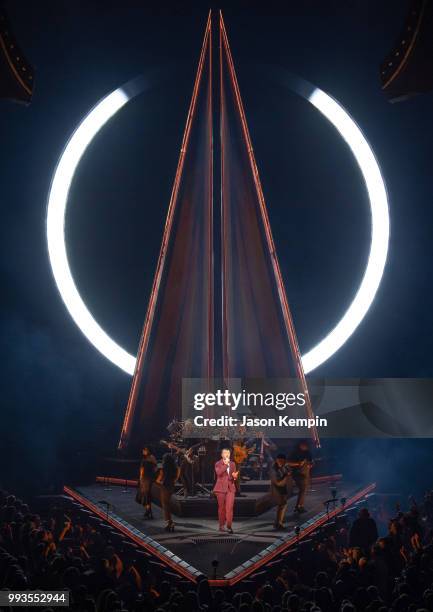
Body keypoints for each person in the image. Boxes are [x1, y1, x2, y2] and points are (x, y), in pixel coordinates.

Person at [213, 447, 238, 533]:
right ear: (221, 454)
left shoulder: (233, 464)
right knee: (221, 508)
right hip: (220, 489)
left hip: (230, 488)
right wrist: (226, 465)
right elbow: (219, 473)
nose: (227, 454)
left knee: (229, 508)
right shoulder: (218, 463)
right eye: (225, 453)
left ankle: (229, 526)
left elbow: (233, 476)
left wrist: (235, 477)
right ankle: (221, 525)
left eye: (228, 453)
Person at [287, 440, 313, 513]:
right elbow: (288, 463)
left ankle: (300, 506)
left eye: (306, 446)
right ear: (300, 445)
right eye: (303, 445)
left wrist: (310, 465)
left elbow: (311, 461)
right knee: (302, 489)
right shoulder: (294, 453)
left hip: (305, 473)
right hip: (297, 473)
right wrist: (298, 464)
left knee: (304, 490)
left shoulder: (308, 452)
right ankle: (299, 506)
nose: (305, 447)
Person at [156, 453, 180, 532]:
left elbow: (159, 480)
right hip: (171, 486)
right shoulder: (175, 468)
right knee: (167, 504)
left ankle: (170, 523)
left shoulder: (163, 469)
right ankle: (169, 522)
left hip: (164, 487)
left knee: (165, 505)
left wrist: (158, 483)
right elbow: (177, 476)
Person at [270, 454, 293, 530]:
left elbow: (289, 471)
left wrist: (287, 473)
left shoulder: (284, 466)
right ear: (277, 460)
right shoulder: (274, 469)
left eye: (283, 461)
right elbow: (276, 482)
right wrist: (286, 476)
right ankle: (278, 523)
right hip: (277, 488)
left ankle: (279, 522)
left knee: (283, 505)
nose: (282, 462)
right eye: (280, 461)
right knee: (282, 505)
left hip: (283, 488)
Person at [136, 446, 157, 519]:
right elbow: (155, 469)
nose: (143, 451)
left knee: (144, 496)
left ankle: (148, 510)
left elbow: (142, 471)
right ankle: (149, 512)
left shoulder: (144, 460)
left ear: (147, 451)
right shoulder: (153, 458)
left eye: (144, 450)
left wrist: (140, 479)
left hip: (144, 479)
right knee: (147, 495)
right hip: (150, 479)